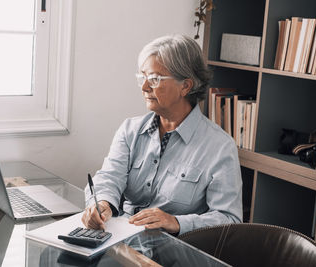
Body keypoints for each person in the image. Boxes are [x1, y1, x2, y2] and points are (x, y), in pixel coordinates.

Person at [82, 34, 242, 236]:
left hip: (175, 251)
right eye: (142, 77)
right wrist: (102, 203)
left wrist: (175, 221)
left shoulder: (220, 146)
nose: (144, 87)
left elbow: (229, 219)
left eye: (154, 79)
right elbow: (109, 177)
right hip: (122, 240)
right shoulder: (130, 130)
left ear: (185, 86)